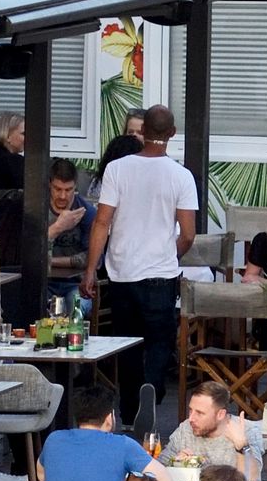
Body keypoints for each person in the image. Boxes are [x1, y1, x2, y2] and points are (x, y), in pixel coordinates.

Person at [85, 106, 201, 414]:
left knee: (128, 345)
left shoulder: (117, 169)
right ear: (172, 134)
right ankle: (153, 388)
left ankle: (128, 408)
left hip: (122, 273)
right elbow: (188, 234)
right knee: (160, 342)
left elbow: (101, 223)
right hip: (160, 274)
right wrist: (168, 253)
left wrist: (89, 270)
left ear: (142, 131)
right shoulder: (182, 176)